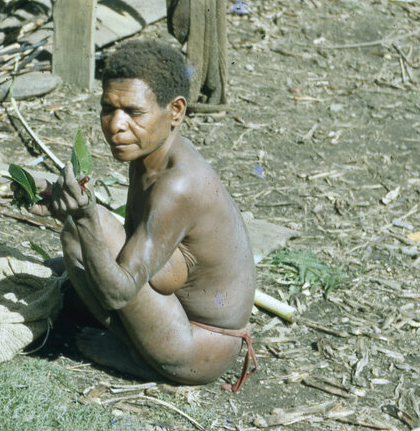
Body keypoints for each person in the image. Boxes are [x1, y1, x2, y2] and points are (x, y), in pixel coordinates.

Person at [30, 39, 256, 390]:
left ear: (176, 112)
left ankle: (139, 356)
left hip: (195, 347)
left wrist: (87, 218)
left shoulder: (178, 185)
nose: (115, 125)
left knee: (84, 232)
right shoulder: (151, 155)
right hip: (176, 316)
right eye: (108, 108)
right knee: (63, 263)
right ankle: (134, 339)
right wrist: (55, 197)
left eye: (133, 112)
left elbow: (118, 293)